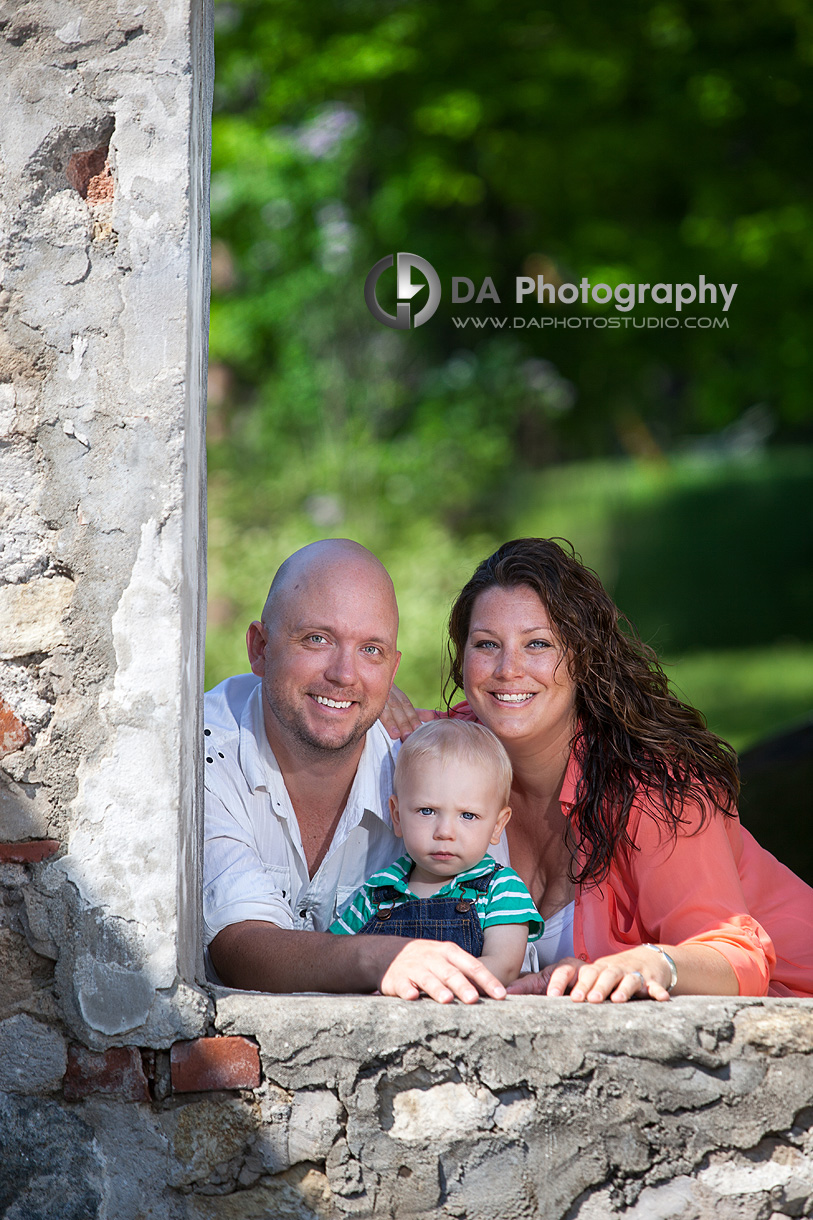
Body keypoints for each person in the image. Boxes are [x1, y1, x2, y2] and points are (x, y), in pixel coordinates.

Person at [385, 537, 813, 1002]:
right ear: (463, 658)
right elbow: (346, 718)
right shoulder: (442, 752)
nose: (508, 668)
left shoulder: (654, 788)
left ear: (583, 658)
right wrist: (371, 702)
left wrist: (651, 961)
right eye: (487, 644)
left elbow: (736, 959)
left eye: (538, 644)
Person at [203, 538, 509, 1003]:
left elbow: (500, 939)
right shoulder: (204, 754)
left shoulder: (429, 772)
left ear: (392, 670)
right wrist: (384, 958)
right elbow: (241, 948)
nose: (345, 675)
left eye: (371, 650)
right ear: (260, 648)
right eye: (317, 640)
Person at [330, 719, 543, 989]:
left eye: (468, 815)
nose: (445, 832)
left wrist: (427, 982)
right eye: (427, 811)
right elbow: (336, 957)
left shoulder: (501, 889)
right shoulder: (378, 892)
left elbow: (505, 965)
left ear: (497, 825)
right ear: (397, 815)